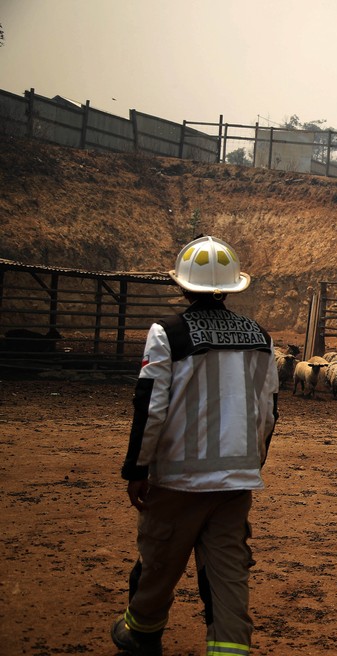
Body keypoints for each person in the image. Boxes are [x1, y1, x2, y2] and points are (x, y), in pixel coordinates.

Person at [112, 236, 279, 656]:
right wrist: (253, 462)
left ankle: (142, 633)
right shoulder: (259, 336)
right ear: (230, 286)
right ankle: (229, 648)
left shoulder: (166, 334)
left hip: (178, 478)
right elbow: (268, 411)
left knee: (160, 560)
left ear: (182, 286)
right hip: (236, 481)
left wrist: (137, 469)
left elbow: (151, 406)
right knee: (228, 572)